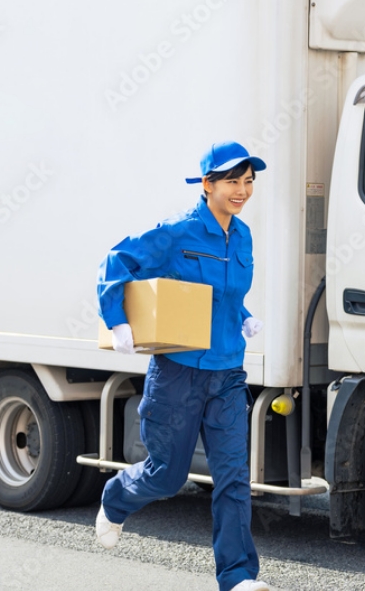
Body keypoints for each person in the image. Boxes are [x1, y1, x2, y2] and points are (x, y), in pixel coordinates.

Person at [95, 141, 270, 591]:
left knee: (233, 479)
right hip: (177, 374)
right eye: (233, 181)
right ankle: (116, 497)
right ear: (207, 184)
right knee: (166, 475)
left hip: (228, 372)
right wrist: (118, 322)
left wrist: (244, 315)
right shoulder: (178, 232)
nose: (242, 191)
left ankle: (236, 578)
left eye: (248, 182)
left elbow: (223, 295)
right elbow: (117, 262)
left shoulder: (243, 236)